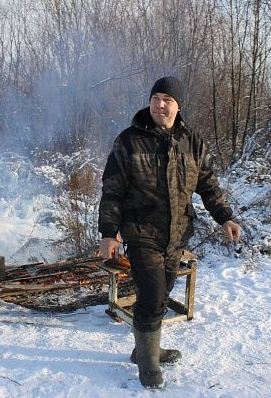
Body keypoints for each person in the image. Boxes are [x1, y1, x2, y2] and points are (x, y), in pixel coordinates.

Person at [98, 76, 241, 388]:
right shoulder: (128, 141)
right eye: (155, 98)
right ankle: (147, 364)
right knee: (151, 295)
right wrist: (109, 232)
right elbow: (112, 191)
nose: (159, 105)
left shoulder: (192, 143)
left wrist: (225, 218)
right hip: (140, 231)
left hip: (176, 234)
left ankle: (145, 348)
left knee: (164, 291)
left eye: (167, 99)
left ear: (178, 106)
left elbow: (209, 186)